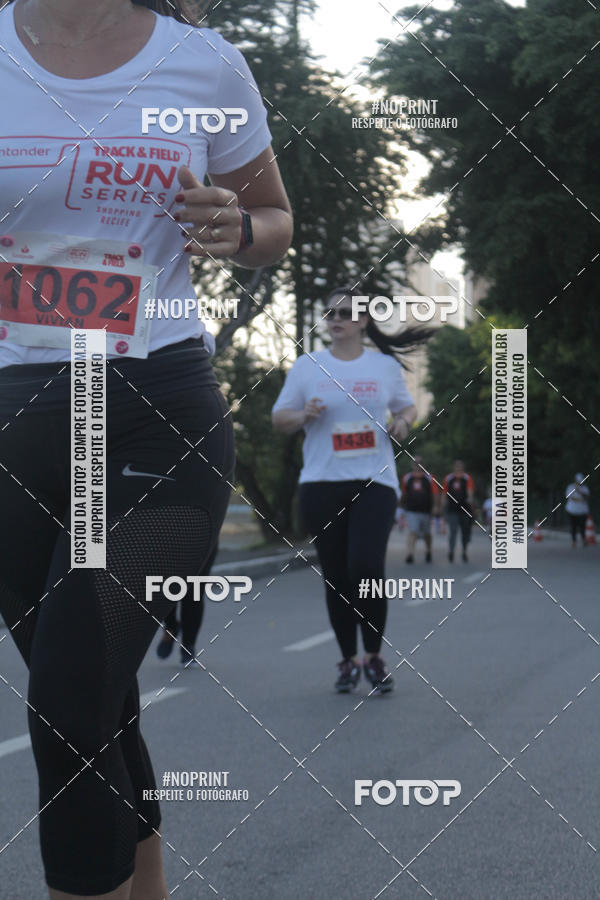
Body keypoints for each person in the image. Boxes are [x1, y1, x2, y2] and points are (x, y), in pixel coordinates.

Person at [0, 1, 293, 897]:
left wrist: (234, 229)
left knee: (65, 701)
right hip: (14, 422)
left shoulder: (203, 65)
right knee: (98, 709)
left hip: (152, 409)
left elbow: (273, 220)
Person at [272, 287, 431, 695]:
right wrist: (302, 414)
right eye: (329, 313)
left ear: (362, 321)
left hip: (374, 482)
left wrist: (404, 423)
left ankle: (374, 656)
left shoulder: (383, 367)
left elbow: (407, 407)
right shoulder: (308, 366)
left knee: (366, 569)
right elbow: (280, 419)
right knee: (337, 578)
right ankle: (347, 660)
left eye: (344, 313)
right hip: (321, 484)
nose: (335, 319)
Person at [156, 543, 219, 665]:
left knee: (194, 593)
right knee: (168, 589)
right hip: (169, 541)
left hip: (203, 539)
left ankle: (188, 644)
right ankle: (171, 627)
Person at [400, 455, 440, 563]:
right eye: (415, 463)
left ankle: (428, 551)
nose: (417, 465)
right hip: (411, 509)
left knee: (427, 533)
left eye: (419, 462)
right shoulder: (407, 478)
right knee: (413, 531)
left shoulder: (429, 478)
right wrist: (401, 507)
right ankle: (410, 554)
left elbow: (435, 493)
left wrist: (436, 506)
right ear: (412, 465)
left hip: (426, 510)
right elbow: (404, 493)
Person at [443, 460, 475, 562]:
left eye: (460, 466)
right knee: (453, 531)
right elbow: (444, 493)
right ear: (454, 467)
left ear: (463, 467)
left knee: (465, 531)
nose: (458, 468)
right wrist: (442, 506)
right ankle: (451, 551)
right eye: (457, 466)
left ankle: (464, 551)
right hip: (452, 509)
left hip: (465, 509)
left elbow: (470, 491)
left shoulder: (467, 478)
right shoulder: (448, 478)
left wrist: (470, 500)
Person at [565, 473, 591, 547]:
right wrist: (579, 499)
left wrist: (579, 491)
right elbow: (570, 497)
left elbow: (587, 496)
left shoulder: (585, 488)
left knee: (582, 526)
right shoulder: (570, 487)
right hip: (571, 510)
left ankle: (583, 540)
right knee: (573, 526)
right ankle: (574, 541)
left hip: (582, 511)